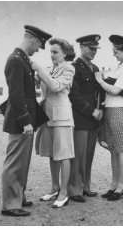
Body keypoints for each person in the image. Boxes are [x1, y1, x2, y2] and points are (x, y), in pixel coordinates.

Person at [1, 25, 51, 217]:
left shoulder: (22, 60)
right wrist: (25, 121)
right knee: (15, 162)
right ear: (32, 40)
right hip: (20, 121)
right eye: (38, 45)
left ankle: (18, 197)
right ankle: (10, 204)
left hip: (26, 120)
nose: (38, 49)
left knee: (23, 161)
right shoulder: (15, 60)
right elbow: (16, 95)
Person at [34, 38, 76, 208]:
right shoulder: (49, 69)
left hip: (62, 117)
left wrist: (39, 71)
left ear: (64, 53)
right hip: (48, 116)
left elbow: (56, 87)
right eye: (50, 52)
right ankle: (54, 187)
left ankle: (64, 192)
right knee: (52, 154)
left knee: (63, 154)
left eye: (55, 52)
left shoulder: (69, 68)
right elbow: (43, 88)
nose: (52, 55)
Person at [95, 35, 123, 201]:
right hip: (111, 110)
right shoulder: (120, 66)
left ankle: (121, 186)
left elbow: (115, 90)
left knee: (122, 149)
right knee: (113, 149)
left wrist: (100, 80)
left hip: (120, 109)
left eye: (116, 51)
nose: (114, 54)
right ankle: (114, 184)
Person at [68, 34, 104, 203]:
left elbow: (100, 92)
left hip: (94, 119)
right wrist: (91, 111)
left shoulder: (95, 68)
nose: (94, 52)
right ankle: (75, 189)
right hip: (81, 118)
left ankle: (85, 186)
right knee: (79, 155)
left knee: (89, 154)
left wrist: (101, 109)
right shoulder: (74, 67)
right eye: (91, 48)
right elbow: (74, 95)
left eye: (95, 49)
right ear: (81, 47)